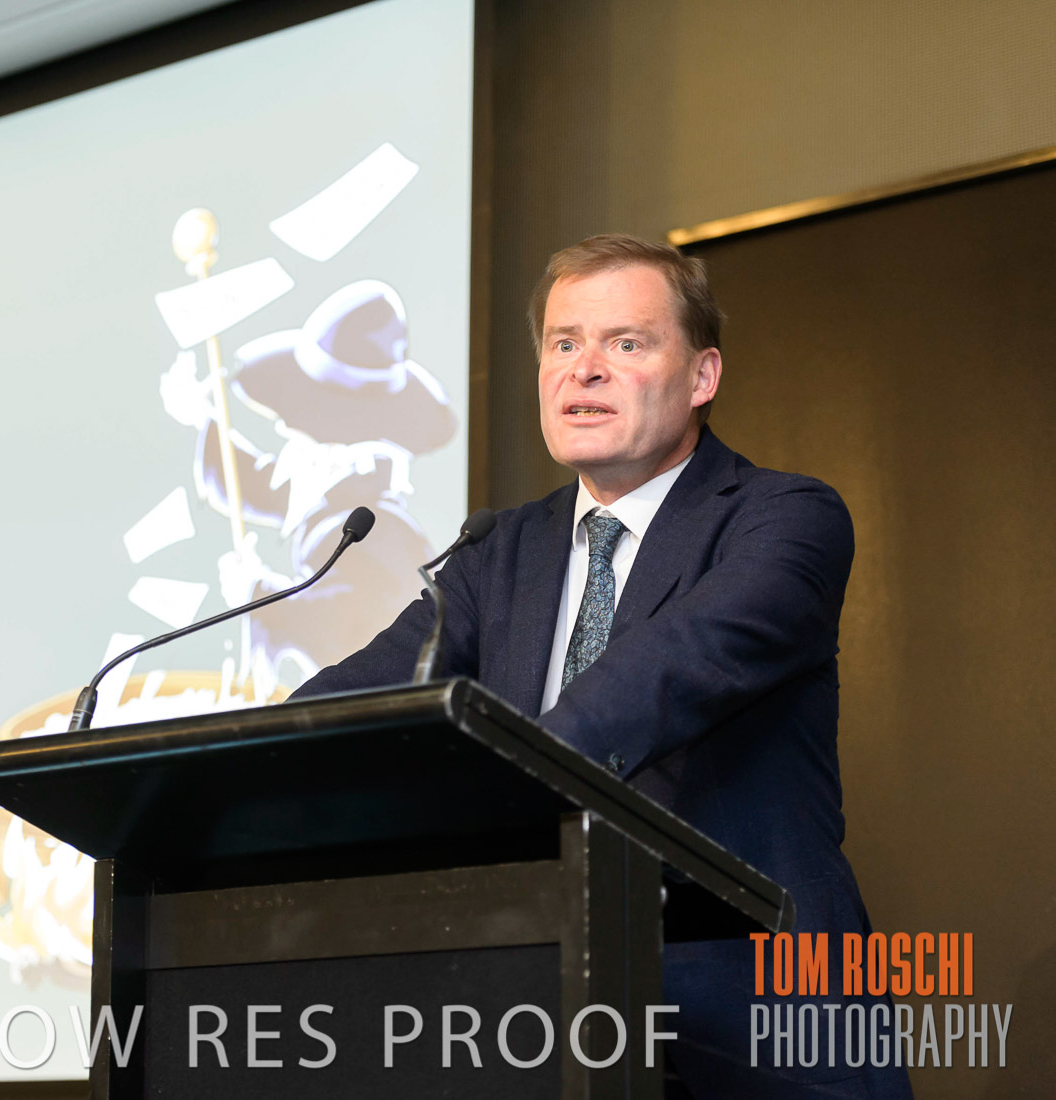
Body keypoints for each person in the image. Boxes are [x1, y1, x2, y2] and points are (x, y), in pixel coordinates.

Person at [291, 234, 912, 1099]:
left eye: (624, 342)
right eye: (562, 343)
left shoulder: (782, 518)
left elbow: (671, 668)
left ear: (700, 376)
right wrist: (258, 762)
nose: (583, 369)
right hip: (538, 1018)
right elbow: (358, 702)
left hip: (758, 1015)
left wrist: (505, 787)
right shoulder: (493, 554)